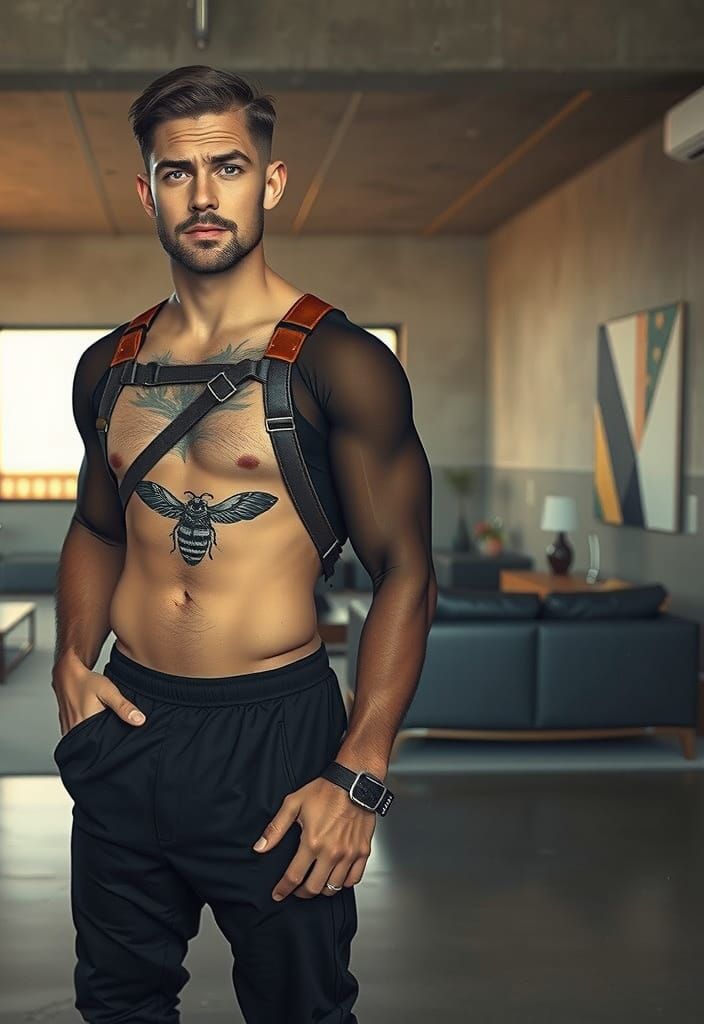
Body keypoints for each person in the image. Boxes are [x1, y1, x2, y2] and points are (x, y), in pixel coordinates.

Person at [52, 64, 437, 1024]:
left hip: (275, 735)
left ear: (270, 182)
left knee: (300, 1008)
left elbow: (408, 574)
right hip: (131, 723)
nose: (204, 195)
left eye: (229, 168)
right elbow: (98, 527)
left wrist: (361, 773)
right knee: (117, 1001)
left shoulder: (343, 362)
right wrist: (70, 657)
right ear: (148, 191)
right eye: (178, 174)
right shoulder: (108, 365)